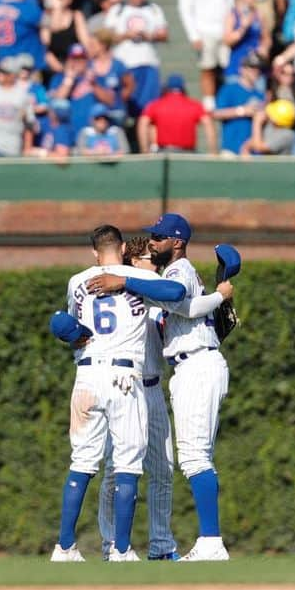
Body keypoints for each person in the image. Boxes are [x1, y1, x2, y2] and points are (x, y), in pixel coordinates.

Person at [85, 213, 235, 562]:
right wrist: (219, 295)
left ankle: (211, 541)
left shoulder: (177, 271)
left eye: (159, 237)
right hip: (187, 366)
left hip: (196, 363)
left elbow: (179, 295)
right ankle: (191, 542)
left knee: (194, 457)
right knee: (188, 458)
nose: (152, 242)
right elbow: (189, 306)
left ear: (176, 242)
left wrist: (124, 281)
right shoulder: (170, 273)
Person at [49, 224, 188, 562]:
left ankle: (64, 547)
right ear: (124, 247)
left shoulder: (77, 281)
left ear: (94, 253)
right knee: (127, 465)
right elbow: (176, 292)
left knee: (82, 461)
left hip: (87, 376)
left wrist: (74, 332)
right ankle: (122, 549)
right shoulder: (133, 276)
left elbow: (69, 324)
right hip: (124, 377)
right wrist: (127, 281)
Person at [93, 232, 182, 560]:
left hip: (153, 388)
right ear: (131, 263)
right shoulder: (120, 296)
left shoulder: (155, 294)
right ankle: (111, 544)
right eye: (149, 259)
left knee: (162, 469)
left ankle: (160, 544)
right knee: (115, 470)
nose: (155, 265)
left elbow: (176, 295)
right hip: (123, 388)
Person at [178, 0, 233, 109]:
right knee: (207, 67)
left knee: (226, 67)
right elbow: (185, 9)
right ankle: (209, 102)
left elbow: (230, 1)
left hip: (225, 29)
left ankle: (225, 98)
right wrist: (193, 35)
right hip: (204, 31)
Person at [105, 0, 168, 117]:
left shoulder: (154, 9)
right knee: (125, 102)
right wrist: (126, 35)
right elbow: (107, 37)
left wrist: (149, 36)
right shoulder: (117, 10)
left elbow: (164, 35)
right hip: (125, 63)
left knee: (148, 107)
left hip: (148, 62)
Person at [138, 74, 217, 152]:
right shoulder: (194, 106)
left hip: (164, 153)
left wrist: (144, 150)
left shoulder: (155, 105)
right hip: (188, 154)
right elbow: (208, 124)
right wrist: (213, 151)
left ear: (167, 89)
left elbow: (143, 123)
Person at [214, 52, 266, 153]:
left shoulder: (260, 94)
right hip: (231, 148)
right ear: (242, 69)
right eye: (252, 68)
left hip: (252, 152)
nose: (256, 72)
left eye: (258, 69)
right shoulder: (229, 89)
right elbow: (216, 113)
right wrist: (242, 110)